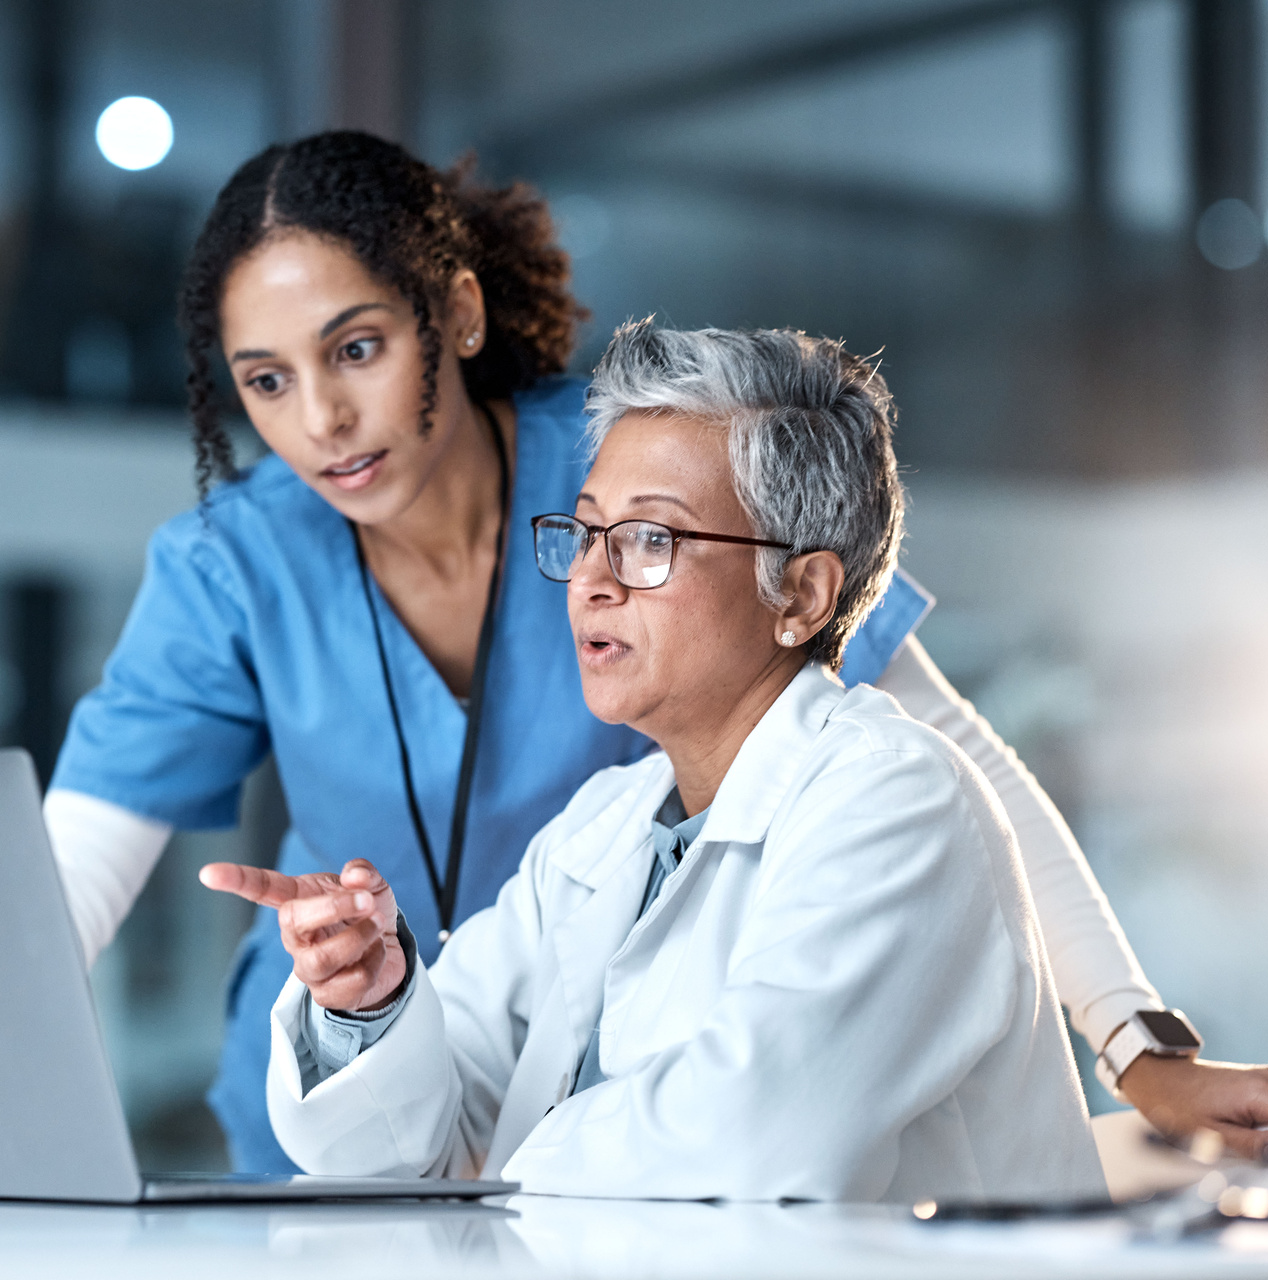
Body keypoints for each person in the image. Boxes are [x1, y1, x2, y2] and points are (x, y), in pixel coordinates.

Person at [44, 130, 1268, 1173]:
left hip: (613, 1137)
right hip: (418, 1089)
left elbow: (955, 761)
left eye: (357, 348)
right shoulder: (244, 566)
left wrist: (1136, 1041)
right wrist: (363, 999)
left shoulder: (644, 470)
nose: (319, 418)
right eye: (264, 381)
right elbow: (65, 890)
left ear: (458, 314)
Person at [210, 324, 1107, 1201]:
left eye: (650, 540)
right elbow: (423, 1135)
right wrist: (372, 1010)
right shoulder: (606, 825)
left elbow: (756, 1137)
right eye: (588, 531)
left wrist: (501, 1168)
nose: (592, 578)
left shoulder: (897, 800)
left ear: (801, 593)